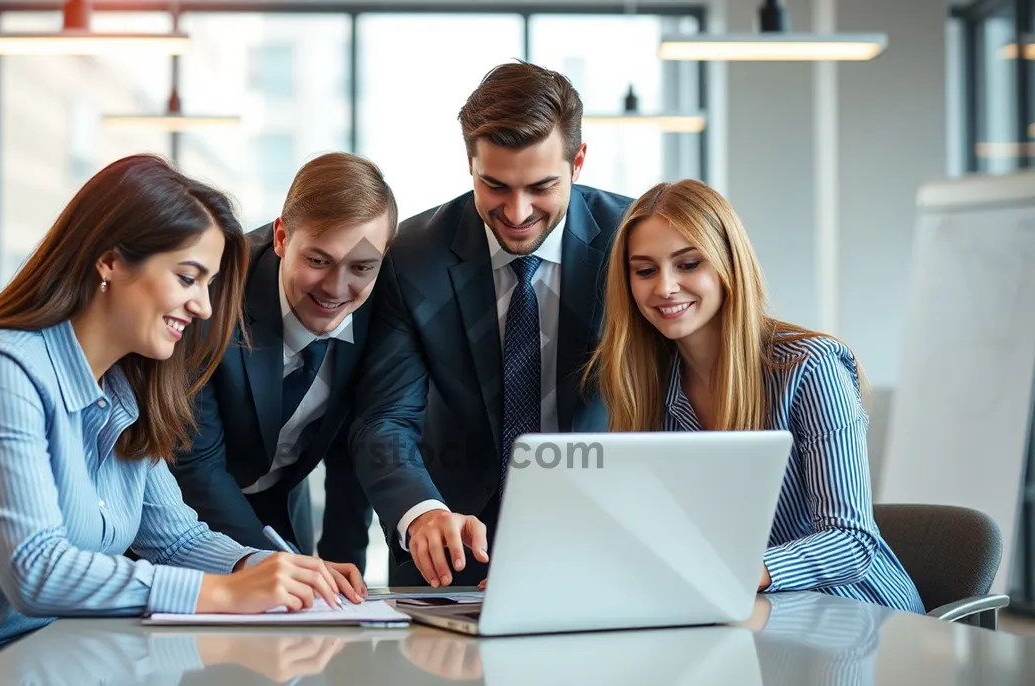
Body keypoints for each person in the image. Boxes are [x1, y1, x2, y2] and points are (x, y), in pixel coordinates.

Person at [0, 155, 367, 666]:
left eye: (207, 284)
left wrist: (266, 567)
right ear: (110, 260)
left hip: (40, 659)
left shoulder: (123, 392)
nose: (204, 307)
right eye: (188, 278)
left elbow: (176, 539)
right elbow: (36, 570)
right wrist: (226, 592)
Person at [348, 61, 634, 588]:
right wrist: (421, 513)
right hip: (451, 554)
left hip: (602, 544)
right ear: (470, 165)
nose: (518, 211)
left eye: (542, 186)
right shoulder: (414, 256)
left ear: (579, 162)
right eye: (495, 185)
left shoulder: (633, 243)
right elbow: (385, 419)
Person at [584, 178, 924, 613]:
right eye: (645, 270)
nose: (665, 287)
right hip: (750, 613)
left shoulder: (809, 367)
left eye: (688, 264)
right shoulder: (649, 385)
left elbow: (851, 541)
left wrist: (733, 573)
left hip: (859, 615)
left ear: (729, 264)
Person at [171, 152, 393, 572]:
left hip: (281, 516)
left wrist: (345, 583)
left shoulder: (382, 305)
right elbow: (196, 466)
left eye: (361, 266)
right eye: (317, 260)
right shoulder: (213, 294)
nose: (336, 288)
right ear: (281, 238)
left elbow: (351, 458)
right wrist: (276, 568)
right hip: (185, 523)